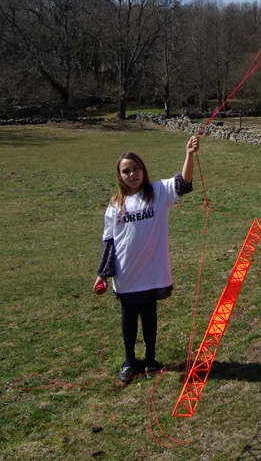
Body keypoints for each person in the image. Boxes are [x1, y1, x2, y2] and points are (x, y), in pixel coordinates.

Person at [94, 135, 199, 382]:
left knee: (150, 317)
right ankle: (129, 361)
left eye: (136, 168)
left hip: (151, 272)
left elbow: (183, 182)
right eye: (126, 171)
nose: (132, 174)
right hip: (126, 274)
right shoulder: (115, 204)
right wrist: (102, 274)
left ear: (143, 170)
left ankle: (151, 359)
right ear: (119, 176)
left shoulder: (158, 192)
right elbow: (108, 241)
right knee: (128, 318)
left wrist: (189, 155)